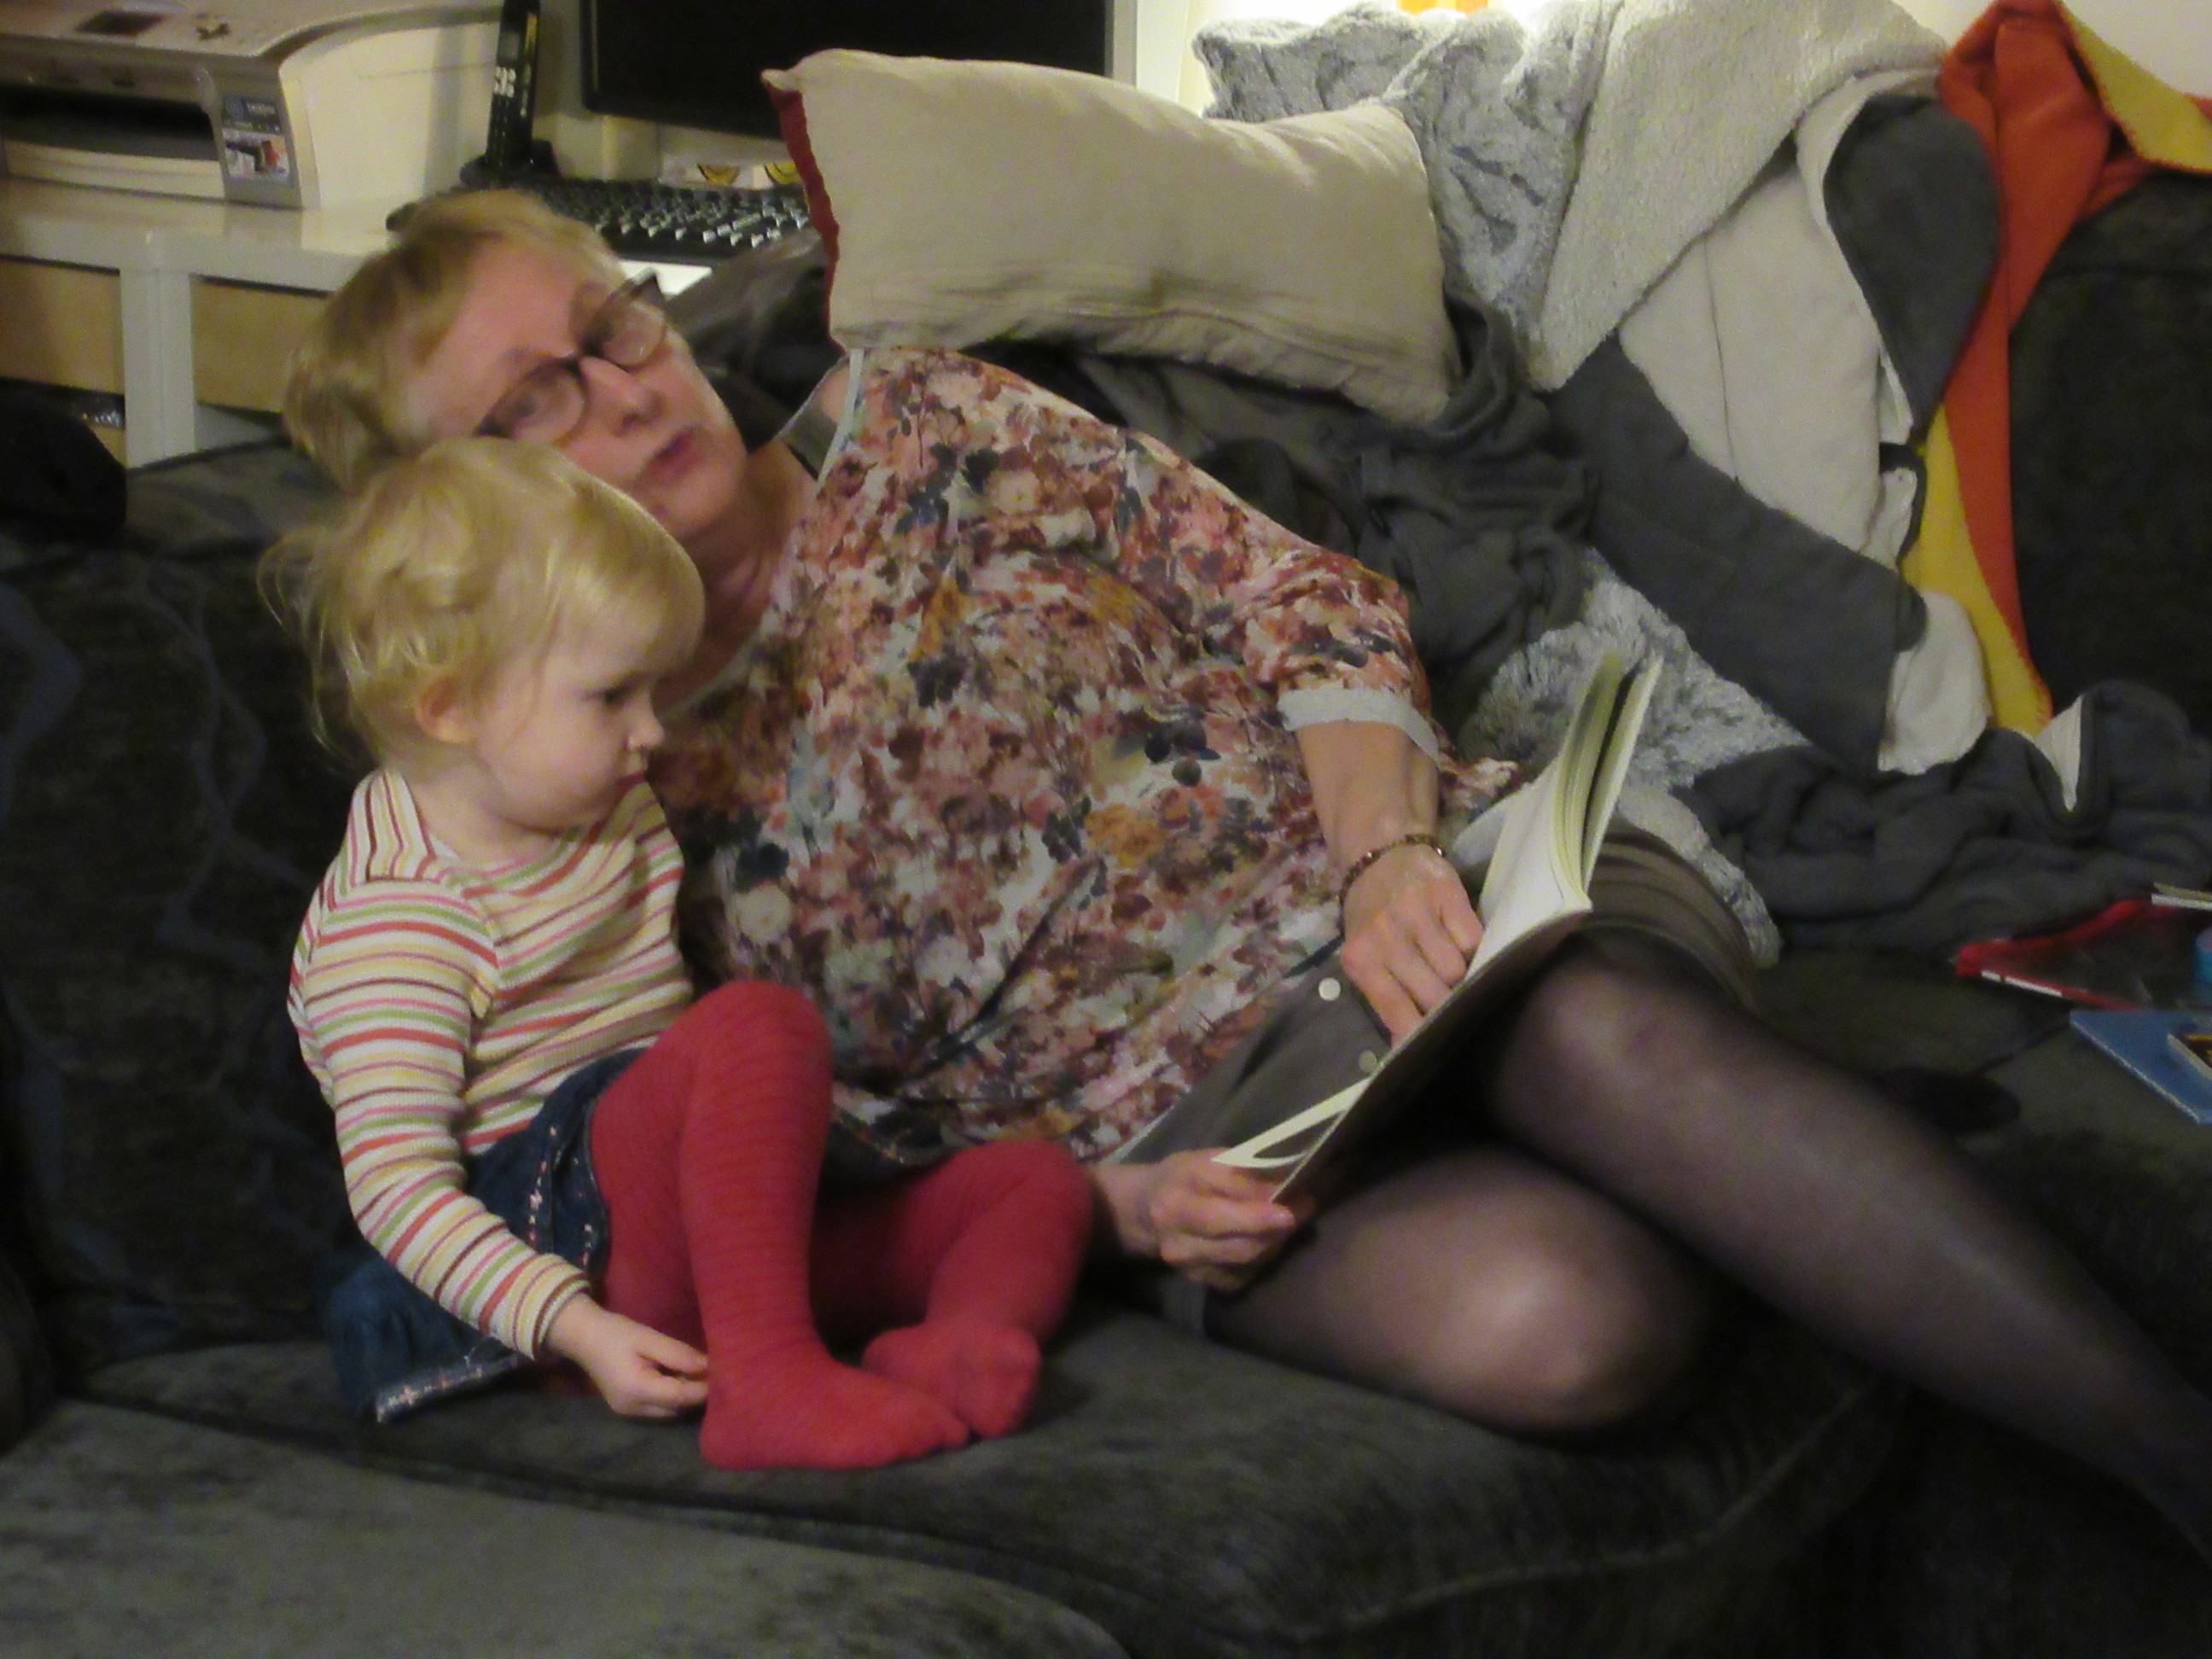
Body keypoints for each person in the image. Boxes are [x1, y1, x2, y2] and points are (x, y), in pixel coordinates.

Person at [283, 190, 2212, 1555]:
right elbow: (784, 1140)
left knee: (1592, 1047)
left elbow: (1301, 599)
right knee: (1569, 1320)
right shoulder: (574, 785)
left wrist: (1382, 856)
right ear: (449, 515)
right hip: (1200, 1138)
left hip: (1428, 889)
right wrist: (1109, 1219)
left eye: (612, 326)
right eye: (528, 406)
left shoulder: (923, 421)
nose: (625, 391)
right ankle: (1813, 1170)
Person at [269, 436, 1092, 1470]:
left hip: (718, 1235)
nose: (650, 731)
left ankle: (962, 1340)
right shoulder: (400, 920)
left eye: (652, 693)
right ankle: (767, 1383)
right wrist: (573, 1326)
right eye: (612, 697)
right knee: (754, 1023)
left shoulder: (598, 807)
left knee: (1034, 1184)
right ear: (452, 706)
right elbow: (396, 1192)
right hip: (567, 1262)